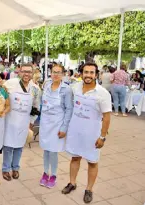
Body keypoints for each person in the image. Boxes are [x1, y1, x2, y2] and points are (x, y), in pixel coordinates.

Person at [62, 62, 111, 204]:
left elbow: (107, 117)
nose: (88, 75)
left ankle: (89, 190)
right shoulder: (75, 88)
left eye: (91, 72)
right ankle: (72, 183)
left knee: (92, 162)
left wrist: (102, 137)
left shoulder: (103, 94)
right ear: (81, 73)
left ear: (96, 75)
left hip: (92, 134)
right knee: (75, 158)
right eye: (86, 72)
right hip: (75, 131)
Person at [1, 64, 39, 181]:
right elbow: (0, 97)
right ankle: (6, 169)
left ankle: (16, 167)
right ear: (19, 72)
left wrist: (31, 122)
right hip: (10, 120)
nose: (26, 74)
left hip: (24, 122)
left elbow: (36, 106)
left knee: (19, 146)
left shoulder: (36, 89)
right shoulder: (10, 83)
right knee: (8, 146)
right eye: (24, 71)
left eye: (29, 72)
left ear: (32, 73)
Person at [39, 65, 73, 188]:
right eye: (54, 72)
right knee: (46, 150)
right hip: (45, 124)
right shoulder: (47, 86)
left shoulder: (66, 90)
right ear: (50, 73)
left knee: (53, 151)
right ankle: (45, 172)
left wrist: (64, 128)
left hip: (57, 124)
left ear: (63, 74)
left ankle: (53, 175)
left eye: (59, 72)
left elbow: (69, 109)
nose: (56, 75)